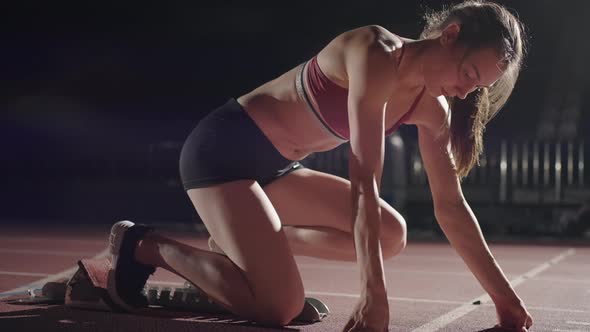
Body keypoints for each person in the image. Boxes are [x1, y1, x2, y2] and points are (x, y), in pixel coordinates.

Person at [106, 1, 533, 331]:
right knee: (281, 308)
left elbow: (451, 207)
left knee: (392, 234)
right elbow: (363, 184)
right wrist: (372, 294)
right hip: (223, 152)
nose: (464, 93)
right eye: (468, 73)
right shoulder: (375, 51)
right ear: (450, 35)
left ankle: (249, 248)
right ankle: (143, 245)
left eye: (477, 87)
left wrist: (504, 298)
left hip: (278, 171)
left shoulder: (432, 108)